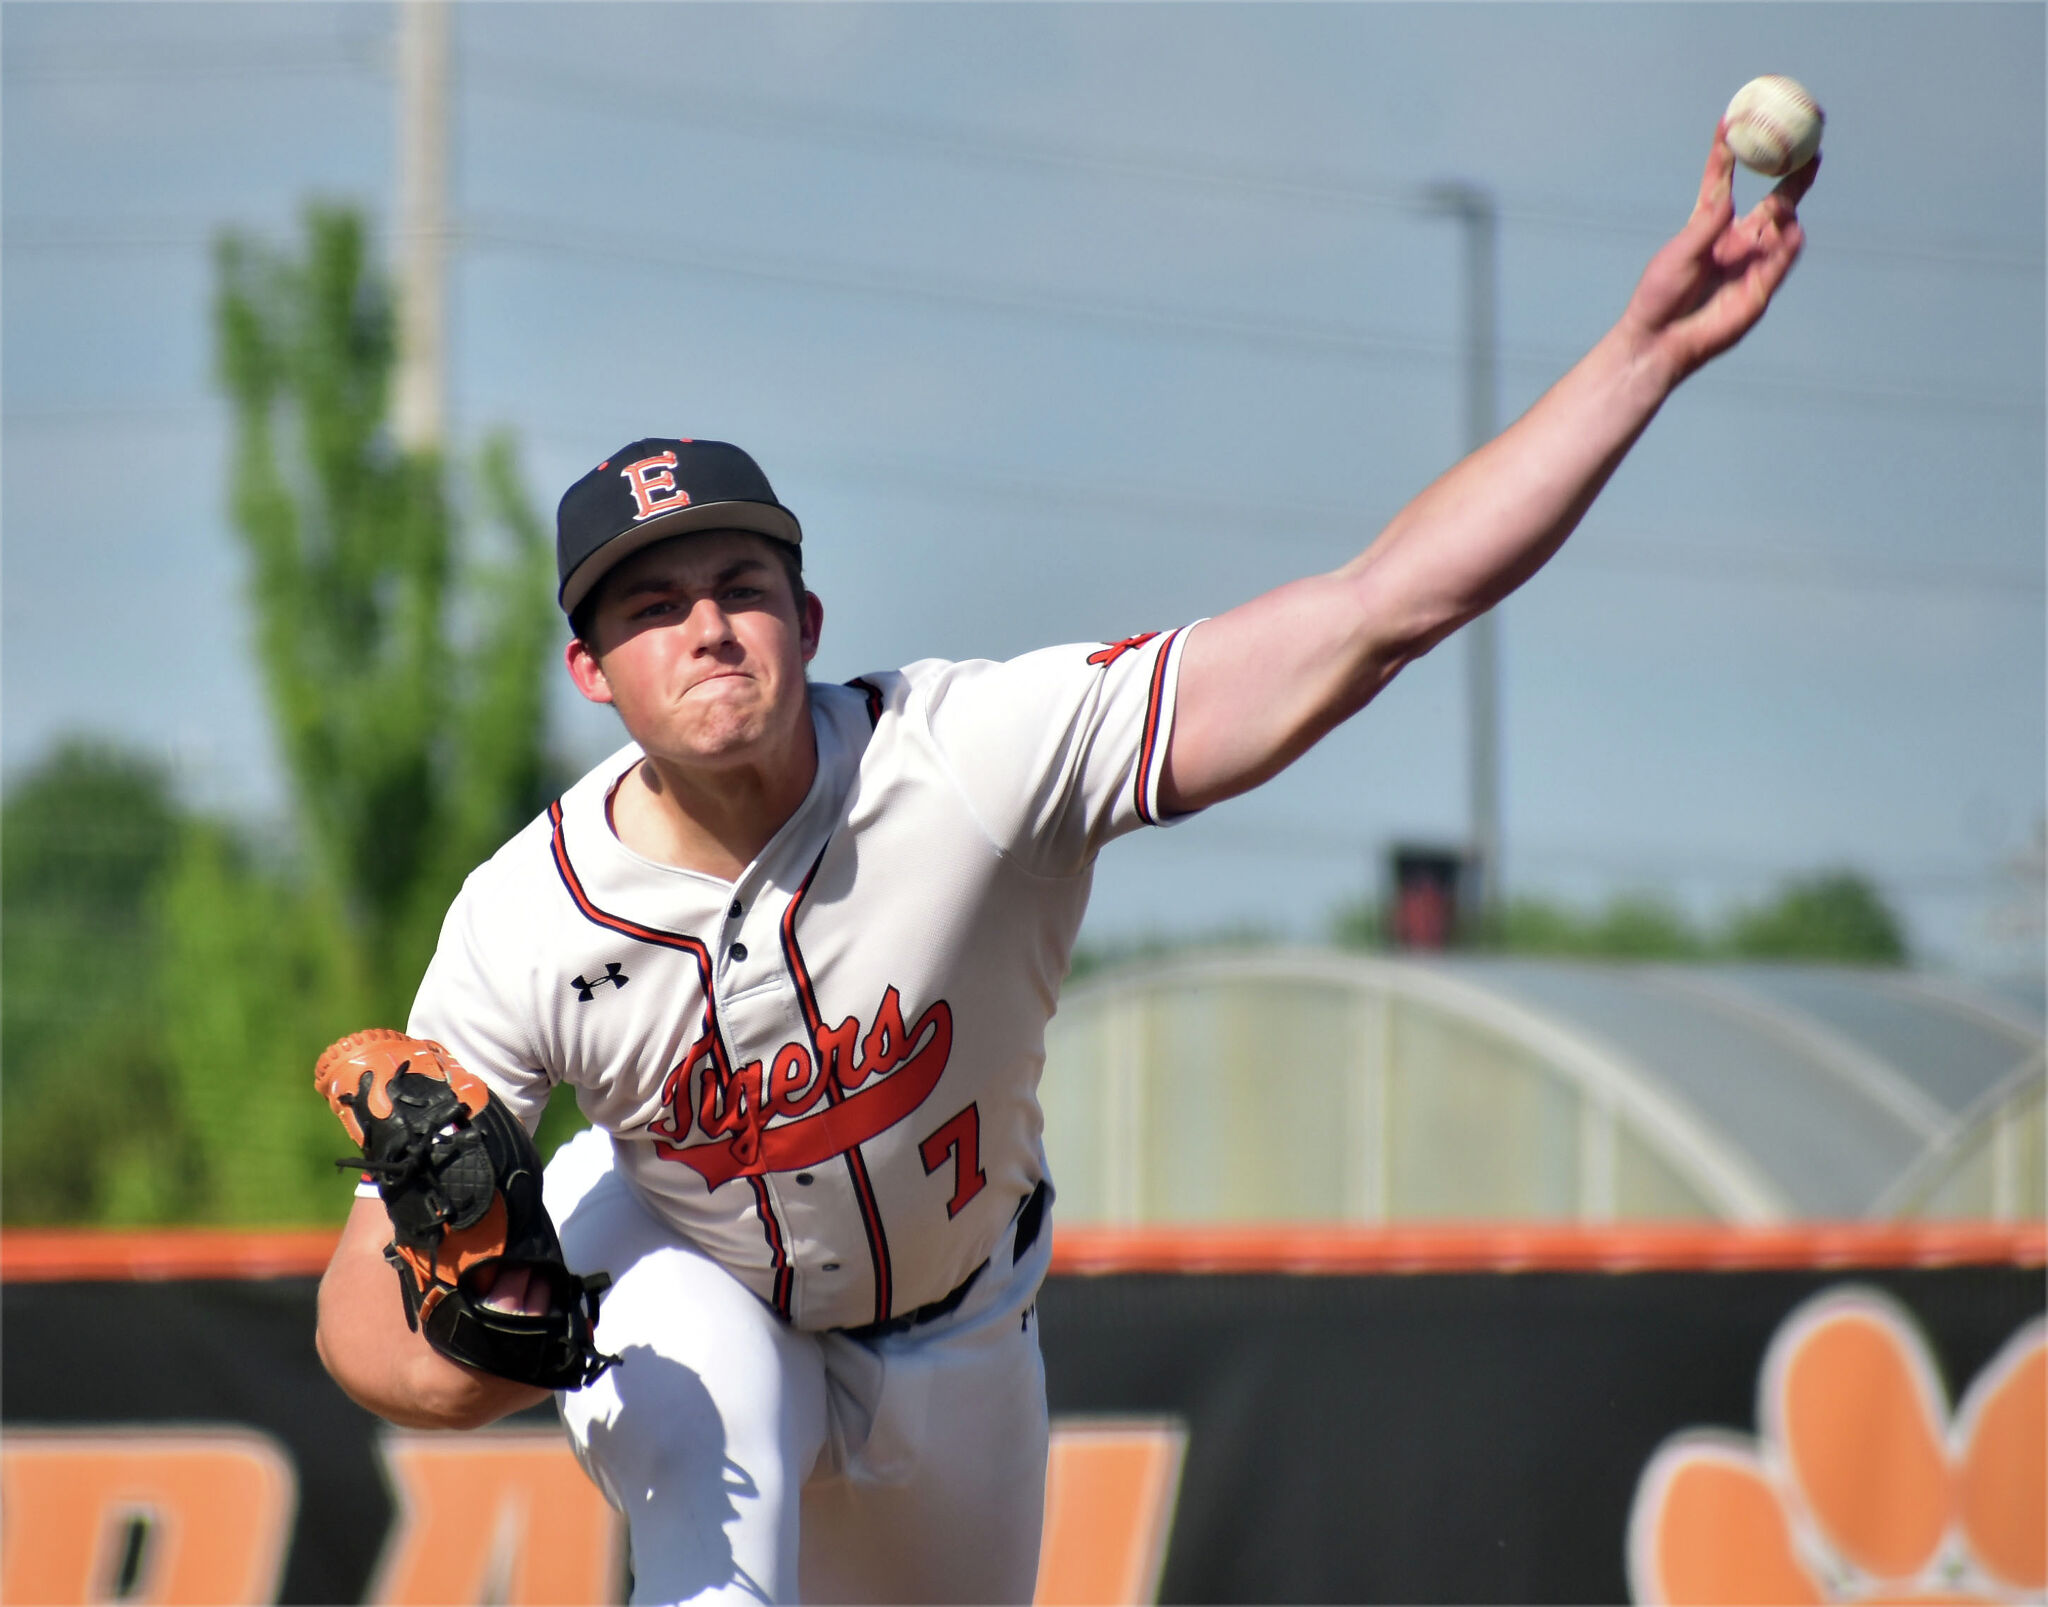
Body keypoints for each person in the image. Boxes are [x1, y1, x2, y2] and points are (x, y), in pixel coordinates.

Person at [315, 128, 1815, 1604]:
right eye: (651, 607)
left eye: (739, 585)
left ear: (809, 620)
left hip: (957, 1325)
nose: (705, 626)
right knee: (719, 1492)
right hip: (671, 1268)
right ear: (592, 672)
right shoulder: (523, 920)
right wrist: (470, 1363)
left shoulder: (973, 756)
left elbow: (1372, 615)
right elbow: (358, 1311)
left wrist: (1640, 358)